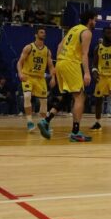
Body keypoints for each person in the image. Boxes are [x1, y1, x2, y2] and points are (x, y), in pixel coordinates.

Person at [38, 9, 96, 142]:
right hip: (71, 63)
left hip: (61, 62)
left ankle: (46, 121)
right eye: (94, 19)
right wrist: (87, 73)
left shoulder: (74, 29)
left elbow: (59, 45)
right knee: (80, 96)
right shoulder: (86, 32)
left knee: (67, 96)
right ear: (90, 20)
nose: (95, 22)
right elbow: (84, 54)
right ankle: (75, 132)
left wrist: (58, 65)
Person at [17, 27, 55, 132]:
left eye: (44, 32)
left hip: (40, 78)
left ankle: (44, 123)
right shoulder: (29, 47)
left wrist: (53, 78)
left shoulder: (47, 51)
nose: (43, 34)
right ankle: (29, 122)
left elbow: (51, 66)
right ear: (36, 35)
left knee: (44, 101)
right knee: (27, 96)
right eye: (41, 32)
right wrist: (20, 73)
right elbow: (19, 62)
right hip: (28, 76)